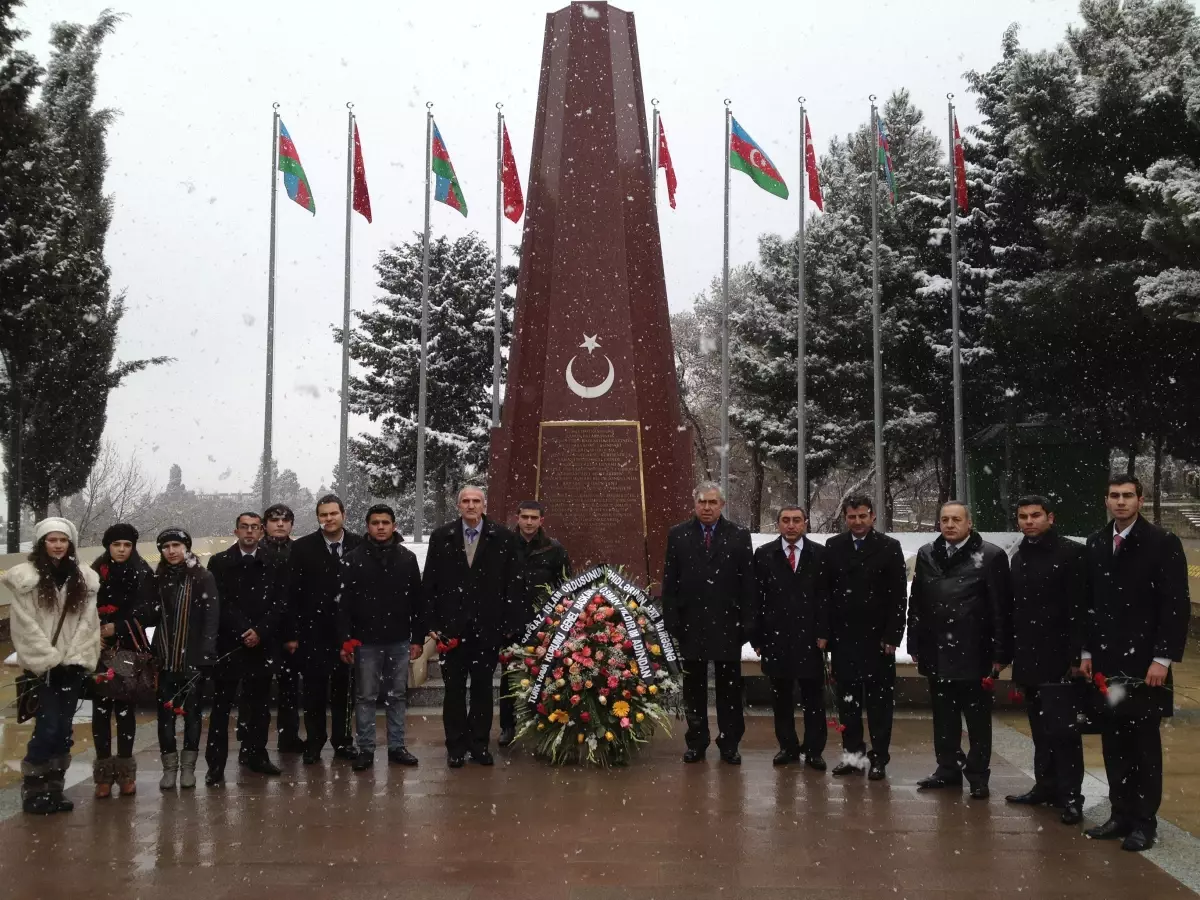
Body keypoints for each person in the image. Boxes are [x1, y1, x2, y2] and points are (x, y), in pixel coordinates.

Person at [1081, 475, 1190, 852]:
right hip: (1107, 666)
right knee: (1113, 740)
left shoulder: (1162, 543)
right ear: (1106, 500)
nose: (1121, 502)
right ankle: (1120, 813)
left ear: (1140, 500)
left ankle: (1144, 822)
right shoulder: (1095, 543)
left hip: (1146, 666)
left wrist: (1162, 658)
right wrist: (1086, 652)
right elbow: (1088, 604)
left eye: (1128, 495)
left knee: (1144, 744)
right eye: (1115, 496)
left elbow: (1174, 606)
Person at [907, 502, 1012, 799]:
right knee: (944, 716)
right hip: (936, 649)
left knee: (977, 719)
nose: (950, 525)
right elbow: (918, 601)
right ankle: (947, 768)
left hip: (975, 651)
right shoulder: (927, 554)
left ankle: (978, 774)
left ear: (969, 523)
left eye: (956, 519)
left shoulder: (991, 556)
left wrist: (1000, 653)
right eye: (944, 519)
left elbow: (1000, 609)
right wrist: (914, 640)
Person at [3, 518, 100, 815]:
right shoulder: (27, 578)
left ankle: (55, 788)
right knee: (47, 727)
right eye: (51, 540)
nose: (57, 545)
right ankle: (35, 788)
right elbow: (23, 625)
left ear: (70, 544)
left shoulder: (83, 577)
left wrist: (74, 659)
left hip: (71, 666)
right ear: (42, 543)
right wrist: (49, 661)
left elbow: (88, 624)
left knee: (64, 730)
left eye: (62, 540)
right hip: (41, 668)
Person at [423, 486, 522, 768]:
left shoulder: (502, 537)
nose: (470, 505)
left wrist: (509, 625)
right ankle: (455, 746)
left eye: (475, 501)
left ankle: (479, 745)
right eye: (465, 501)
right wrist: (431, 623)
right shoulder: (442, 537)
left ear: (484, 505)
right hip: (451, 630)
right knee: (453, 691)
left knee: (481, 690)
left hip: (487, 629)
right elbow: (429, 582)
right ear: (458, 506)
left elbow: (512, 584)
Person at [1004, 495, 1087, 825]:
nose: (1029, 521)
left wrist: (1078, 656)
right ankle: (1046, 785)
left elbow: (1079, 609)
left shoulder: (1071, 553)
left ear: (1050, 518)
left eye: (1035, 515)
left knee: (1065, 734)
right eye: (1023, 516)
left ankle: (1070, 796)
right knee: (1039, 730)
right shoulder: (1019, 554)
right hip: (1029, 656)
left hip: (1061, 658)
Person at [662, 482, 756, 765]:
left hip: (728, 625)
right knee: (694, 690)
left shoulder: (739, 536)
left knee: (729, 689)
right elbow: (670, 582)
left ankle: (729, 743)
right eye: (702, 502)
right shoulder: (678, 535)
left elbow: (748, 584)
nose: (706, 507)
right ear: (695, 503)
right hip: (691, 625)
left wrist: (747, 624)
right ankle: (697, 741)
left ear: (722, 505)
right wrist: (672, 621)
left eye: (712, 502)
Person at [824, 495, 907, 781]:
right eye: (851, 516)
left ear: (872, 517)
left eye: (862, 516)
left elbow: (899, 598)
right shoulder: (833, 547)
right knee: (848, 704)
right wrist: (826, 635)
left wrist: (893, 635)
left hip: (878, 641)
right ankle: (853, 758)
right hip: (844, 640)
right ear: (845, 518)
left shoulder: (889, 547)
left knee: (879, 706)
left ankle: (879, 759)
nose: (857, 522)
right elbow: (827, 596)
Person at [339, 504, 425, 771]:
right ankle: (365, 748)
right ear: (368, 526)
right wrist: (346, 638)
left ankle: (397, 746)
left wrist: (417, 638)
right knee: (365, 697)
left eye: (385, 522)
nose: (380, 527)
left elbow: (418, 602)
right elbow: (344, 604)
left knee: (397, 696)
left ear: (394, 526)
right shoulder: (353, 559)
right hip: (365, 641)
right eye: (375, 522)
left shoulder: (407, 559)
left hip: (398, 640)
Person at [204, 512, 286, 784]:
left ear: (261, 532)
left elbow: (280, 602)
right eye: (244, 528)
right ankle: (215, 765)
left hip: (262, 644)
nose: (249, 532)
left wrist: (260, 631)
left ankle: (256, 755)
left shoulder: (275, 561)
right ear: (236, 531)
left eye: (254, 528)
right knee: (222, 707)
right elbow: (220, 601)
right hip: (230, 644)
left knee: (260, 705)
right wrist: (242, 629)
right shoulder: (220, 562)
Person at [751, 506, 830, 770]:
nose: (791, 525)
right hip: (776, 638)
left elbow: (827, 597)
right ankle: (787, 746)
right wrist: (757, 637)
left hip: (810, 639)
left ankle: (814, 749)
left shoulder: (819, 554)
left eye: (796, 520)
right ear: (778, 525)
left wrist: (824, 632)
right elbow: (755, 600)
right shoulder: (764, 555)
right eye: (786, 520)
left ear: (805, 523)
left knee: (813, 699)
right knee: (781, 697)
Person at [140, 527, 219, 790]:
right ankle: (169, 768)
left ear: (186, 547)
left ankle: (188, 769)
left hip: (193, 657)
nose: (171, 551)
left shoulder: (202, 577)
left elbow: (211, 618)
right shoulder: (157, 578)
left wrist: (206, 653)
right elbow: (151, 616)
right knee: (165, 716)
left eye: (176, 545)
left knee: (192, 714)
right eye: (166, 547)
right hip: (164, 656)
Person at [290, 494, 363, 764]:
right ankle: (315, 741)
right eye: (323, 515)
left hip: (349, 634)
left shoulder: (360, 544)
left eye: (333, 513)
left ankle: (343, 741)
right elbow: (293, 594)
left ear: (343, 514)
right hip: (313, 633)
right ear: (318, 517)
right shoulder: (302, 548)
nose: (329, 519)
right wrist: (293, 633)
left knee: (345, 691)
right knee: (313, 692)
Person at [499, 500, 571, 747]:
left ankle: (544, 725)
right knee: (509, 678)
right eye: (524, 517)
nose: (529, 522)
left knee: (547, 676)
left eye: (534, 518)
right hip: (511, 623)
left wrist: (557, 621)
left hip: (544, 625)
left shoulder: (554, 549)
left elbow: (565, 586)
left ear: (542, 520)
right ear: (517, 518)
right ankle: (508, 726)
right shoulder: (504, 546)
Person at [90, 523, 155, 798]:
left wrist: (118, 627)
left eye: (127, 545)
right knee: (101, 710)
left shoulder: (142, 572)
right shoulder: (93, 574)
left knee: (125, 709)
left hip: (128, 650)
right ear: (108, 546)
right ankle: (103, 776)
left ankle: (126, 772)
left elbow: (152, 612)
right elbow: (79, 610)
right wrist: (94, 632)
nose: (121, 549)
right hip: (98, 651)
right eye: (117, 544)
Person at [262, 502, 304, 754]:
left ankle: (289, 737)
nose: (280, 524)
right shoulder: (256, 551)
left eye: (285, 519)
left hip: (293, 631)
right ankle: (253, 742)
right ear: (265, 524)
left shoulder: (299, 551)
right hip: (262, 631)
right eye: (275, 519)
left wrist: (294, 632)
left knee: (290, 690)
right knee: (258, 691)